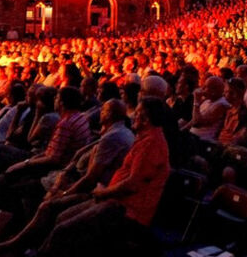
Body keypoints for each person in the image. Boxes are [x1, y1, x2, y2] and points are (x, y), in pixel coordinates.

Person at [29, 97, 171, 257]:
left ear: (145, 119)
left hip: (125, 211)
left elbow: (131, 184)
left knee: (64, 230)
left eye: (137, 113)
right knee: (61, 216)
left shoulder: (151, 144)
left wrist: (103, 192)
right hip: (112, 199)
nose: (132, 117)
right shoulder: (144, 138)